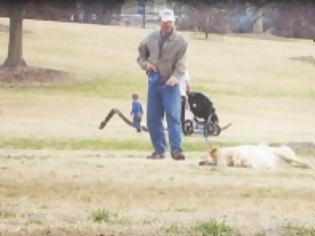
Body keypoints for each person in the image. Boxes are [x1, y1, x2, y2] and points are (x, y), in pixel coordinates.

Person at [137, 9, 188, 160]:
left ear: (174, 22)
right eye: (165, 22)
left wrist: (175, 77)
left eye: (170, 22)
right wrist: (146, 64)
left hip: (170, 84)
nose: (168, 25)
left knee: (173, 116)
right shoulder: (150, 38)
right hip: (154, 82)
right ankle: (159, 150)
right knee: (153, 117)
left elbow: (182, 63)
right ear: (160, 21)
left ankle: (176, 150)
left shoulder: (181, 41)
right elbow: (140, 56)